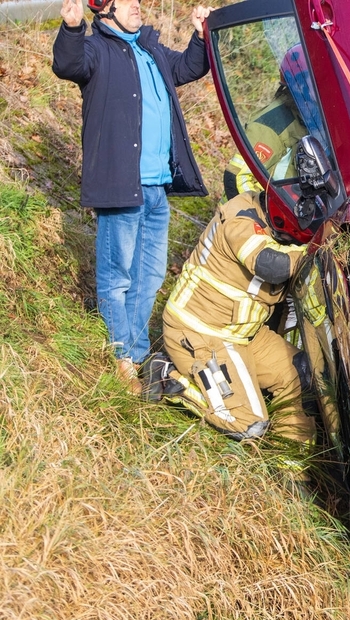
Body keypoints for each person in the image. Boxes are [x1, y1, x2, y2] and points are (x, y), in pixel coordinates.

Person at [52, 0, 212, 394]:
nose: (138, 5)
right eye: (128, 1)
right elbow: (68, 64)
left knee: (150, 275)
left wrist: (201, 37)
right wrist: (72, 28)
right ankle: (122, 354)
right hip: (120, 186)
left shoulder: (150, 48)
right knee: (117, 275)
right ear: (104, 9)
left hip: (156, 189)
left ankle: (138, 354)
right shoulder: (95, 49)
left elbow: (188, 67)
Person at [151, 189, 316, 445]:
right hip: (200, 333)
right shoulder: (241, 218)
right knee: (249, 424)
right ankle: (169, 377)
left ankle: (291, 466)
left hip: (242, 332)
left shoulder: (272, 218)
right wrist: (315, 252)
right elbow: (270, 264)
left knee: (301, 373)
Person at [222, 45, 312, 201]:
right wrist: (265, 215)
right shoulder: (275, 123)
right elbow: (236, 176)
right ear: (300, 83)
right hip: (244, 221)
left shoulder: (308, 119)